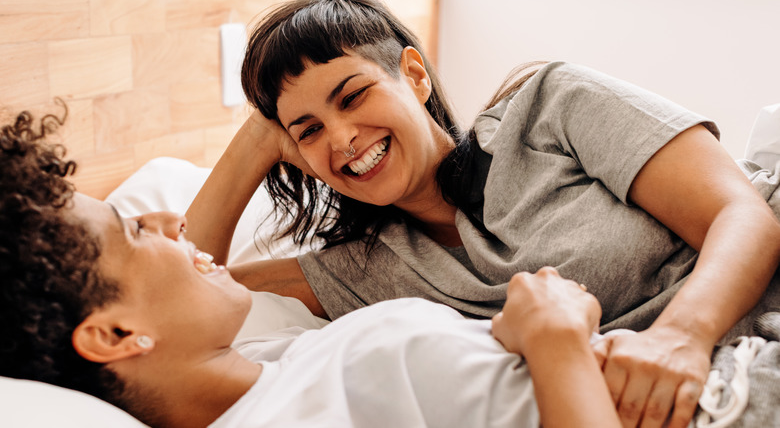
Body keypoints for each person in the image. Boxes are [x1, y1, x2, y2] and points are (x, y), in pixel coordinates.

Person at [184, 0, 780, 427]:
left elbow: (743, 212)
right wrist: (257, 140)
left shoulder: (549, 105)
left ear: (413, 76)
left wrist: (681, 336)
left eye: (354, 95)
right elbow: (181, 296)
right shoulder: (360, 272)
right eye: (309, 131)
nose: (341, 139)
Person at [0, 107, 622, 427]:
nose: (168, 218)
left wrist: (514, 337)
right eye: (133, 231)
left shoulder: (270, 360)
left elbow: (201, 262)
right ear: (113, 334)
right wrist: (556, 343)